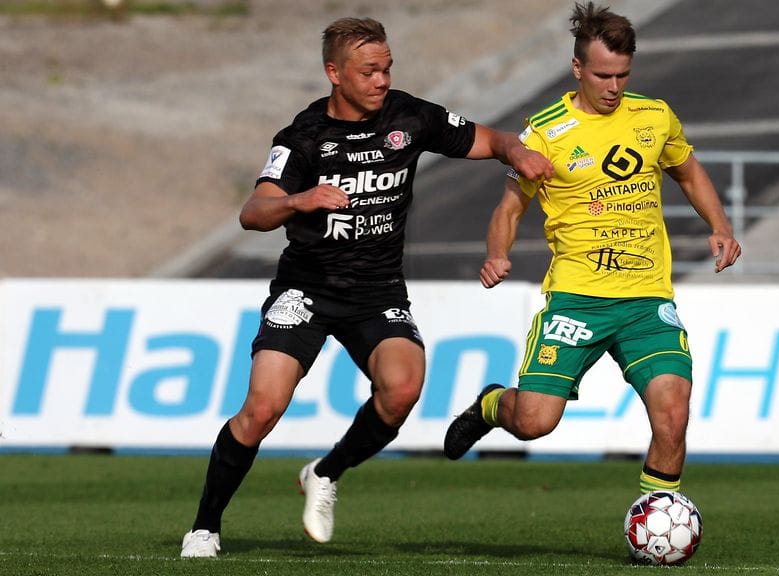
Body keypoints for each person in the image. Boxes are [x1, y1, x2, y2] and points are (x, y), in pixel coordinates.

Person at [180, 16, 553, 558]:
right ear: (334, 73)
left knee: (403, 389)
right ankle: (205, 527)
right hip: (307, 290)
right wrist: (299, 200)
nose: (381, 81)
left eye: (386, 69)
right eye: (368, 71)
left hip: (377, 291)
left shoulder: (409, 116)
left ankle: (325, 472)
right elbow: (253, 212)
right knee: (262, 408)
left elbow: (490, 139)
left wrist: (516, 153)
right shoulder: (303, 137)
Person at [443, 2, 740, 498]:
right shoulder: (545, 132)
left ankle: (654, 515)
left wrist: (720, 225)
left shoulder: (654, 116)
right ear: (577, 67)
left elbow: (688, 171)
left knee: (673, 414)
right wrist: (497, 253)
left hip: (647, 299)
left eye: (623, 75)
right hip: (577, 299)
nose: (614, 87)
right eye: (603, 75)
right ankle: (492, 404)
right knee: (535, 422)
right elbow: (509, 209)